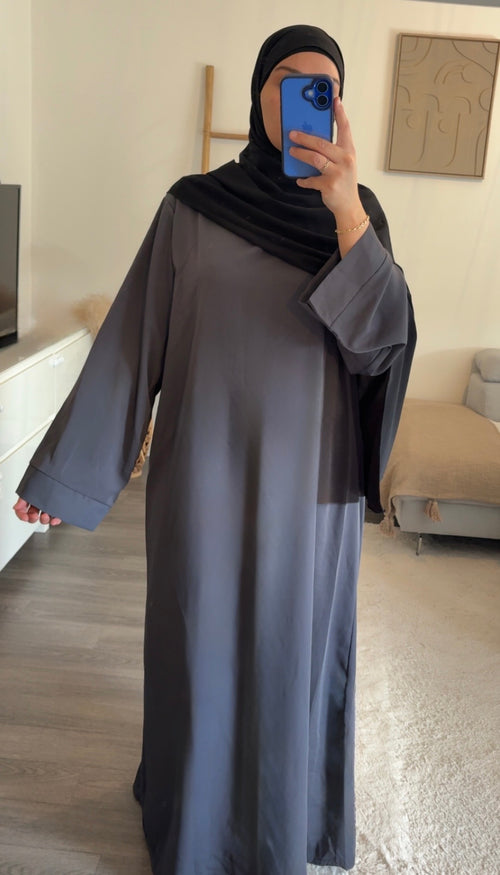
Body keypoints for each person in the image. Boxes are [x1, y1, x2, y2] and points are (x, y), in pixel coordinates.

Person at [13, 24, 416, 875]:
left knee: (289, 656)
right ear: (258, 94)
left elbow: (383, 344)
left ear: (339, 107)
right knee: (198, 642)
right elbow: (134, 342)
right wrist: (70, 472)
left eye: (324, 87)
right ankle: (193, 823)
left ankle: (281, 828)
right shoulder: (192, 207)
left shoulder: (360, 218)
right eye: (288, 80)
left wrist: (347, 209)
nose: (305, 99)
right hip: (203, 474)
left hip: (311, 487)